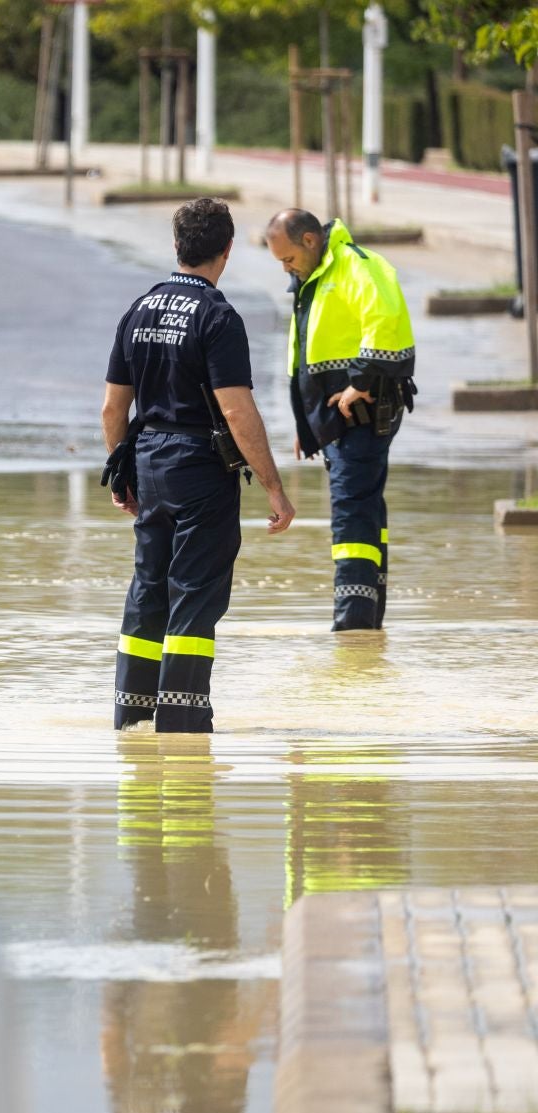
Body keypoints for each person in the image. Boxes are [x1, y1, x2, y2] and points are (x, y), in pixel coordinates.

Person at [102, 198, 295, 734]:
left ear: (176, 246)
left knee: (148, 587)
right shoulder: (218, 317)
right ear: (227, 251)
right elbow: (235, 408)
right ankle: (183, 721)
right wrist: (275, 488)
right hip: (201, 469)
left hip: (149, 461)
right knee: (194, 591)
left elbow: (113, 408)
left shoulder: (138, 310)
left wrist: (123, 471)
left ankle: (132, 713)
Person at [264, 209, 416, 631]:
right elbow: (305, 353)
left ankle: (353, 623)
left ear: (310, 240)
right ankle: (368, 619)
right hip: (335, 416)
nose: (285, 267)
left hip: (362, 413)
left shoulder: (356, 265)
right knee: (364, 507)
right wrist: (304, 422)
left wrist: (362, 381)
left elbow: (383, 319)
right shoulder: (311, 277)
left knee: (351, 510)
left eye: (288, 257)